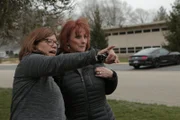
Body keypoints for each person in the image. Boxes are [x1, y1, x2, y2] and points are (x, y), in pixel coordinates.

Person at [10, 27, 118, 120]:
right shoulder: (30, 61)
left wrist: (112, 75)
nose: (54, 46)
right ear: (34, 44)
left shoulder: (46, 72)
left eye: (55, 43)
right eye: (49, 41)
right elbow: (59, 62)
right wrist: (96, 55)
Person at [55, 18, 118, 120]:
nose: (83, 41)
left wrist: (112, 76)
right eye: (78, 37)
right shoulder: (58, 66)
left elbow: (108, 90)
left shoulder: (95, 60)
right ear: (67, 41)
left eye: (86, 37)